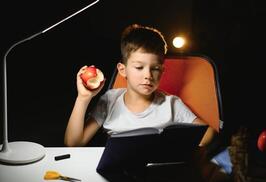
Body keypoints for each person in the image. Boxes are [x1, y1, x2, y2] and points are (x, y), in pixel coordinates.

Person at [64, 23, 217, 149]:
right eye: (139, 67)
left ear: (162, 71)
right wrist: (83, 98)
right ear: (123, 70)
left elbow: (208, 133)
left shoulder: (171, 104)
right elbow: (73, 143)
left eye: (155, 68)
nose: (148, 75)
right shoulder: (110, 100)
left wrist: (178, 149)